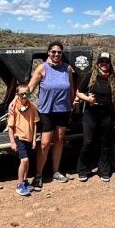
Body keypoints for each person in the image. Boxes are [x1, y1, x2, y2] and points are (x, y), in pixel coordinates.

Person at [26, 41, 74, 188]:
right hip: (46, 111)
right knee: (45, 143)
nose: (56, 54)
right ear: (48, 52)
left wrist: (71, 108)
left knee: (59, 141)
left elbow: (71, 90)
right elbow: (30, 88)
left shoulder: (67, 69)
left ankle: (56, 171)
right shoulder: (42, 68)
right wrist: (16, 100)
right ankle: (39, 174)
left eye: (59, 52)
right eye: (53, 51)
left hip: (63, 110)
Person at [76, 52, 115, 183]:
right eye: (101, 61)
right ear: (97, 62)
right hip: (91, 113)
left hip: (107, 113)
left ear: (109, 63)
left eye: (106, 61)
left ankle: (104, 170)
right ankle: (83, 169)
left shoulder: (112, 78)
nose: (103, 64)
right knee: (88, 141)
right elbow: (78, 92)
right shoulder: (90, 76)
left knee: (105, 143)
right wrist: (88, 99)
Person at [8, 84, 40, 196]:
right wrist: (12, 142)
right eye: (22, 94)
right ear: (17, 95)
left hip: (29, 139)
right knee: (24, 160)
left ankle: (25, 182)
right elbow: (10, 127)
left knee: (27, 161)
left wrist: (34, 140)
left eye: (27, 93)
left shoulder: (32, 107)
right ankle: (20, 184)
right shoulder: (14, 108)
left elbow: (35, 124)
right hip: (19, 138)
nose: (24, 96)